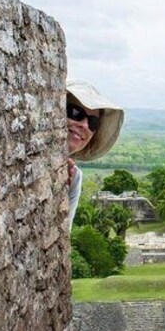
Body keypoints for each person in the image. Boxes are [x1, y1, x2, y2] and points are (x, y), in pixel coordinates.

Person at [66, 80, 124, 229]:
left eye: (93, 123)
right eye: (75, 113)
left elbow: (63, 234)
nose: (84, 125)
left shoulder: (74, 177)